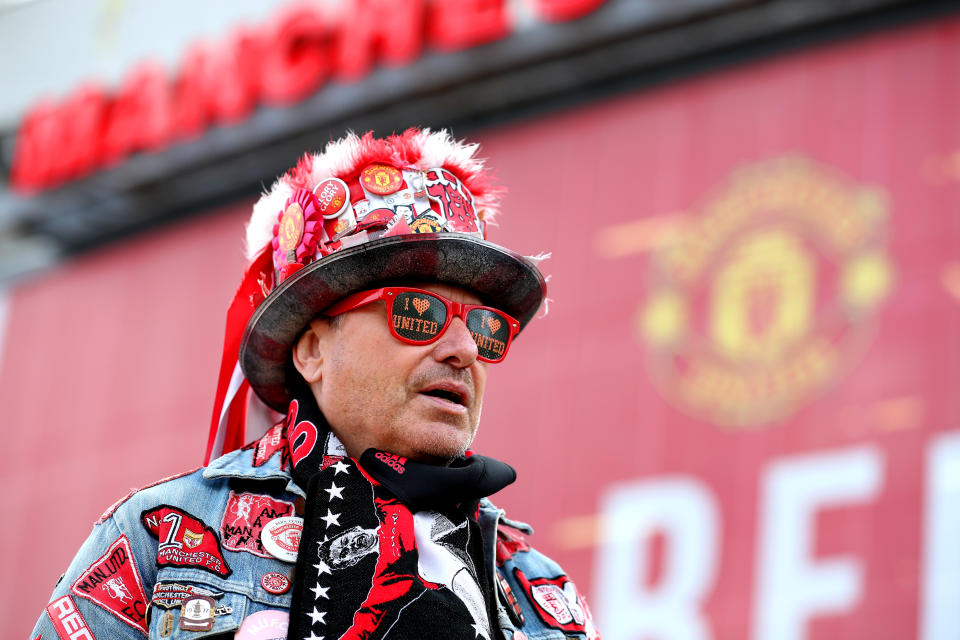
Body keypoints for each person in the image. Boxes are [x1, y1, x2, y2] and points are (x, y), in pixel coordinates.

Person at [31, 129, 600, 640]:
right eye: (418, 314)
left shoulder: (536, 590)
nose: (463, 350)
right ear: (313, 350)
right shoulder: (159, 539)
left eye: (484, 327)